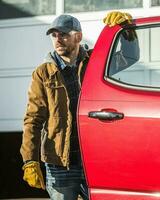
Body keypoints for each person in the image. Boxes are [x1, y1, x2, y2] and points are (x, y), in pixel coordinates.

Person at [20, 11, 132, 200]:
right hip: (59, 164)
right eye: (54, 35)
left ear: (78, 36)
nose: (58, 39)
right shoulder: (42, 73)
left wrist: (127, 31)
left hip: (94, 160)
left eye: (63, 34)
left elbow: (129, 57)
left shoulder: (96, 62)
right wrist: (29, 160)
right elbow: (33, 118)